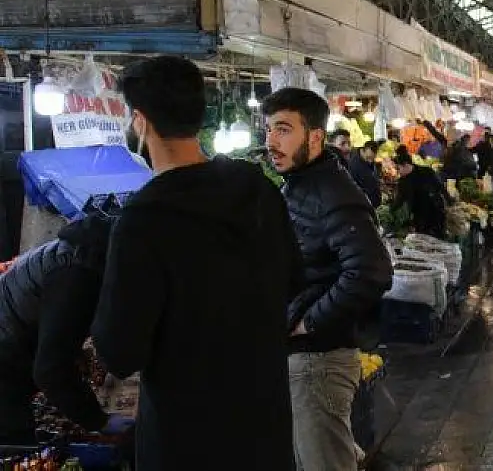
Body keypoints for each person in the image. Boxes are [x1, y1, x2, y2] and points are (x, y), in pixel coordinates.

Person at [92, 56, 299, 471]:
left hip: (186, 437)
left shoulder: (143, 221)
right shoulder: (257, 190)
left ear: (140, 122)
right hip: (263, 423)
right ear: (200, 115)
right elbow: (293, 281)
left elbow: (120, 352)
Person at [262, 87, 394, 471]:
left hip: (319, 361)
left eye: (284, 129)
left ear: (315, 137)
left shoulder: (333, 192)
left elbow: (371, 271)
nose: (271, 141)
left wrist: (309, 321)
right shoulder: (301, 184)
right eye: (269, 129)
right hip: (304, 357)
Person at [0, 215, 132, 445]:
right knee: (15, 445)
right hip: (6, 357)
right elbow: (50, 370)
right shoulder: (77, 275)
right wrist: (99, 421)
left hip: (13, 344)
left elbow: (58, 323)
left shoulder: (85, 254)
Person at [393, 148, 451, 238]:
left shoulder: (427, 171)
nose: (397, 172)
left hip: (435, 212)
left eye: (398, 168)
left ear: (406, 165)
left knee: (438, 240)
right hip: (419, 217)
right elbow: (400, 199)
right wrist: (391, 210)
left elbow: (440, 187)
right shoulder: (402, 182)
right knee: (423, 242)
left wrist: (449, 201)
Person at [347, 142, 383, 209]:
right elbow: (352, 187)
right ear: (366, 149)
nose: (370, 161)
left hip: (373, 203)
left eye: (372, 159)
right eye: (368, 158)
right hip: (364, 205)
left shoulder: (369, 157)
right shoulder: (353, 164)